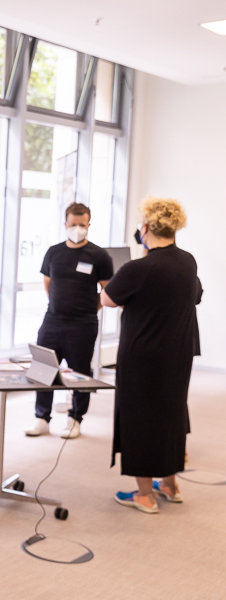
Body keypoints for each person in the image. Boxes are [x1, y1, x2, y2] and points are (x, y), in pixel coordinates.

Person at [101, 197, 202, 514]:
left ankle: (145, 494)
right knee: (170, 416)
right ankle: (170, 484)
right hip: (177, 355)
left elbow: (107, 299)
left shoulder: (138, 268)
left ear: (144, 227)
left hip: (142, 358)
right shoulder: (188, 262)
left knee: (139, 419)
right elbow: (196, 295)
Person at [24, 202, 114, 439]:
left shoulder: (99, 255)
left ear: (89, 225)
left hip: (83, 323)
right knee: (43, 368)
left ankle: (75, 419)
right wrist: (57, 304)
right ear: (65, 224)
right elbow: (48, 282)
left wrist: (86, 309)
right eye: (73, 225)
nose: (77, 229)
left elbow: (106, 292)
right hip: (52, 320)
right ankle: (41, 417)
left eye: (82, 225)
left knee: (80, 373)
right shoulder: (54, 252)